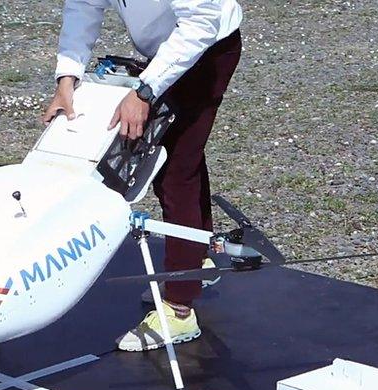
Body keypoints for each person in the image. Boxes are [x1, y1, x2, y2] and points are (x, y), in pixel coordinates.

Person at [42, 0, 243, 352]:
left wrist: (145, 91)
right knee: (183, 155)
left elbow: (201, 23)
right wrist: (66, 78)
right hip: (167, 50)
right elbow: (82, 9)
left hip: (208, 47)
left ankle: (180, 309)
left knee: (174, 169)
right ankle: (198, 260)